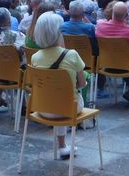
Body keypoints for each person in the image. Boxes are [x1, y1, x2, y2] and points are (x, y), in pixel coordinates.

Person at [30, 12, 86, 160]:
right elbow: (82, 83)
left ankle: (62, 146)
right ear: (58, 33)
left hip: (43, 108)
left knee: (57, 98)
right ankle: (63, 146)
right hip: (69, 108)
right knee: (66, 99)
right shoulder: (72, 55)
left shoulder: (35, 57)